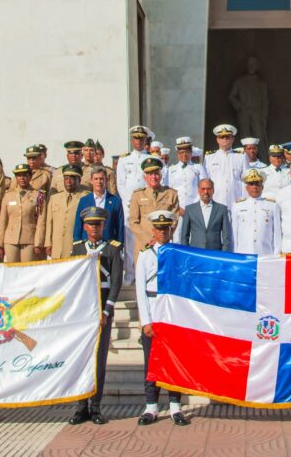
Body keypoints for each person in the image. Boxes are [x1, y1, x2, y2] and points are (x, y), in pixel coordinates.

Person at [68, 207, 123, 426]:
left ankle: (96, 407)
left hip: (101, 307)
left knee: (99, 360)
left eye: (98, 224)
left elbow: (116, 282)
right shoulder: (77, 249)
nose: (94, 228)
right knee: (82, 359)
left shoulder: (111, 249)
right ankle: (81, 407)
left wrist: (106, 311)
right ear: (84, 226)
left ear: (103, 226)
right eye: (90, 224)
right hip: (82, 310)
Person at [135, 210, 190, 427]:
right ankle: (151, 406)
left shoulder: (178, 253)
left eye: (166, 228)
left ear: (171, 230)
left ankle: (175, 405)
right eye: (158, 228)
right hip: (152, 309)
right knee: (151, 362)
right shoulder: (146, 254)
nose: (162, 232)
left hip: (172, 314)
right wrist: (145, 321)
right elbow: (140, 289)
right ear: (153, 230)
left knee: (173, 360)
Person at [128, 157, 181, 260]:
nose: (153, 177)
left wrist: (162, 237)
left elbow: (175, 218)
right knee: (142, 275)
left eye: (156, 174)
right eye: (150, 174)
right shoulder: (137, 195)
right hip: (144, 244)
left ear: (161, 176)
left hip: (164, 243)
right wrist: (148, 239)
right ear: (145, 177)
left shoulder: (171, 193)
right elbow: (133, 222)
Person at [0, 163, 44, 262]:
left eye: (25, 175)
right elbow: (3, 222)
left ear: (30, 176)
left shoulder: (38, 195)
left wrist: (38, 243)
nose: (22, 178)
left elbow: (41, 222)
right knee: (12, 271)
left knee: (27, 271)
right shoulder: (8, 195)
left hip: (29, 239)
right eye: (19, 175)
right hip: (10, 240)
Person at [38, 165, 87, 259]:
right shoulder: (54, 198)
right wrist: (48, 243)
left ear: (79, 180)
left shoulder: (85, 197)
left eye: (72, 178)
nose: (68, 181)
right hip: (56, 247)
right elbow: (49, 223)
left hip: (75, 246)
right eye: (66, 178)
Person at [231, 169, 281, 254]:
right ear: (246, 188)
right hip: (244, 253)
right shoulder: (237, 206)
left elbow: (277, 234)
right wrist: (235, 254)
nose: (254, 187)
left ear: (262, 187)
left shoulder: (272, 206)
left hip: (265, 254)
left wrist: (276, 255)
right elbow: (234, 234)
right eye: (251, 184)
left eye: (257, 184)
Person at [74, 170, 125, 245]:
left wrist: (119, 246)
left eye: (101, 179)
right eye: (96, 179)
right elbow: (78, 226)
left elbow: (120, 227)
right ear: (91, 181)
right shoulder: (84, 201)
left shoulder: (115, 201)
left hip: (109, 247)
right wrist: (77, 246)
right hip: (87, 246)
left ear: (106, 180)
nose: (99, 182)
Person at [205, 123, 247, 208]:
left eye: (228, 137)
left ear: (233, 139)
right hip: (216, 199)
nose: (225, 139)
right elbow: (206, 181)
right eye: (222, 137)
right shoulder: (209, 157)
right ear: (217, 139)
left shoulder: (241, 156)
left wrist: (244, 200)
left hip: (236, 200)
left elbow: (246, 180)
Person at [166, 137, 207, 207]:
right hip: (176, 207)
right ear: (177, 154)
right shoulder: (171, 169)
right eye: (181, 153)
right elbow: (167, 190)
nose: (184, 155)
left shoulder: (198, 168)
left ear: (191, 153)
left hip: (195, 206)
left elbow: (204, 187)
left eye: (187, 152)